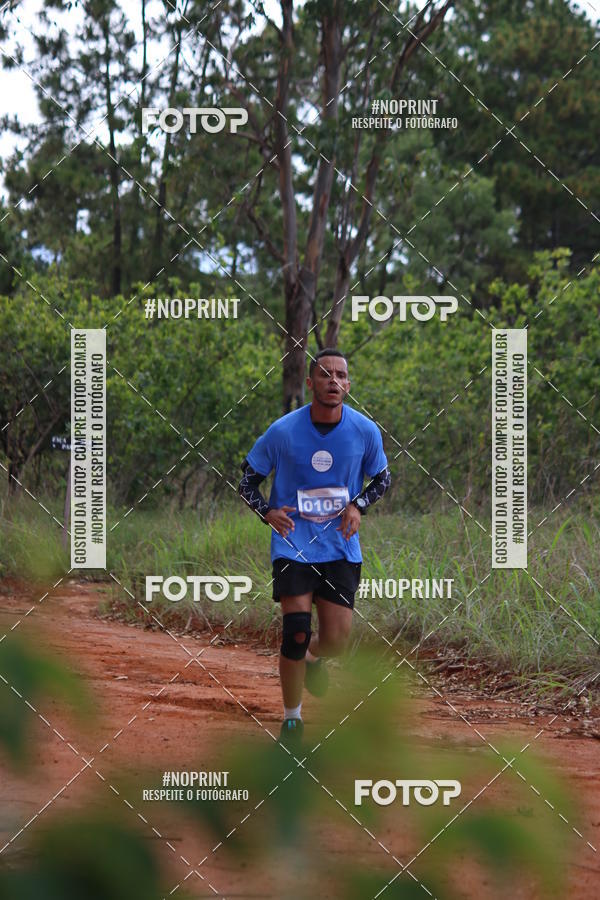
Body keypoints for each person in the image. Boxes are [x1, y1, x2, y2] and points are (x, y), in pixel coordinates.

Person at [238, 348, 391, 746]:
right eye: (325, 374)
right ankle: (292, 718)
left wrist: (358, 505)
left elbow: (382, 479)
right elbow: (247, 481)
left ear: (348, 384)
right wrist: (267, 512)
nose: (333, 381)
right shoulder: (283, 431)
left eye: (340, 375)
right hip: (293, 545)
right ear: (311, 383)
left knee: (336, 642)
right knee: (295, 633)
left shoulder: (364, 430)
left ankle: (312, 657)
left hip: (340, 547)